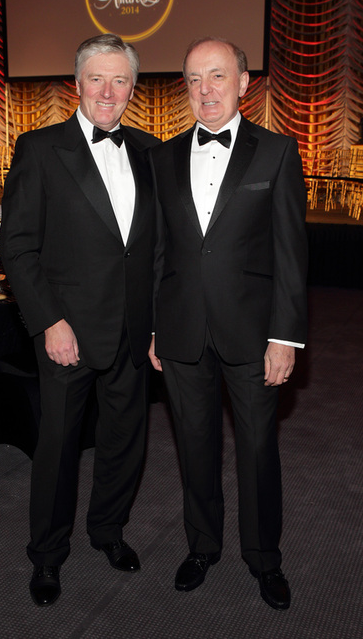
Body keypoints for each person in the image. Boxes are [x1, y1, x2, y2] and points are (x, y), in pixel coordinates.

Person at [0, 33, 160, 607]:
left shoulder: (151, 151)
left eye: (120, 80)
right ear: (77, 83)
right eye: (97, 78)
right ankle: (46, 554)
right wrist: (50, 322)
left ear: (133, 88)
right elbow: (18, 247)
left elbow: (158, 250)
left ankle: (108, 531)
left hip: (134, 332)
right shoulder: (39, 148)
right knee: (58, 447)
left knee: (125, 442)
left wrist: (158, 326)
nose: (108, 91)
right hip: (68, 332)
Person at [149, 37, 308, 611]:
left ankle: (264, 558)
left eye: (217, 75)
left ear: (243, 83)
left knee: (258, 449)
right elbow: (160, 252)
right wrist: (155, 328)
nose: (205, 89)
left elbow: (291, 253)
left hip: (253, 332)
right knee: (194, 446)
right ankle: (202, 546)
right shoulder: (163, 157)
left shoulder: (277, 152)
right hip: (182, 330)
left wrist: (284, 336)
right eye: (194, 79)